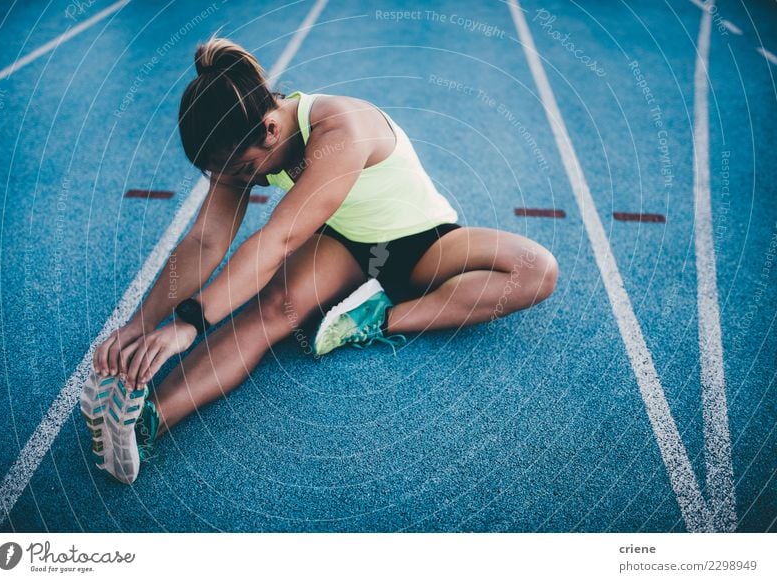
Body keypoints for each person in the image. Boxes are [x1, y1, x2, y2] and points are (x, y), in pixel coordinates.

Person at [81, 37, 559, 484]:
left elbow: (279, 240)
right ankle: (149, 420)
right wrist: (140, 324)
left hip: (423, 241)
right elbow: (206, 241)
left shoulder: (340, 128)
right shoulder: (243, 141)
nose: (241, 181)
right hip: (346, 243)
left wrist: (189, 321)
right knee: (269, 312)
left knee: (536, 270)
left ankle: (377, 318)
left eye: (246, 171)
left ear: (271, 129)